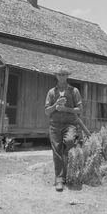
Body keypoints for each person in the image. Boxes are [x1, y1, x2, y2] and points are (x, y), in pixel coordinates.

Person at [45, 64, 83, 192]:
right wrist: (56, 105)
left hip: (70, 124)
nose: (61, 77)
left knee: (70, 142)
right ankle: (59, 180)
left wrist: (65, 109)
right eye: (59, 74)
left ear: (67, 76)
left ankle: (69, 171)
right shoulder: (51, 92)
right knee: (57, 152)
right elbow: (47, 111)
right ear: (56, 75)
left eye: (64, 74)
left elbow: (79, 110)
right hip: (54, 125)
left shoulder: (74, 91)